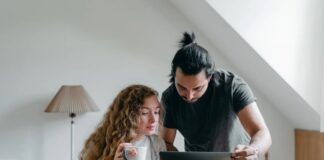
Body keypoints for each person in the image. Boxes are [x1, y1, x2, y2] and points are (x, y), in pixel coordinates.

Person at [161, 32, 272, 160]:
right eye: (181, 87)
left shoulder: (232, 85)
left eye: (197, 88)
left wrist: (254, 151)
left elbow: (262, 132)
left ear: (210, 77)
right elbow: (166, 143)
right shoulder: (169, 98)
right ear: (174, 76)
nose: (190, 96)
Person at [80, 84, 166, 160]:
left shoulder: (157, 144)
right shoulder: (101, 143)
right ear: (128, 116)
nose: (154, 120)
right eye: (144, 113)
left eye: (156, 112)